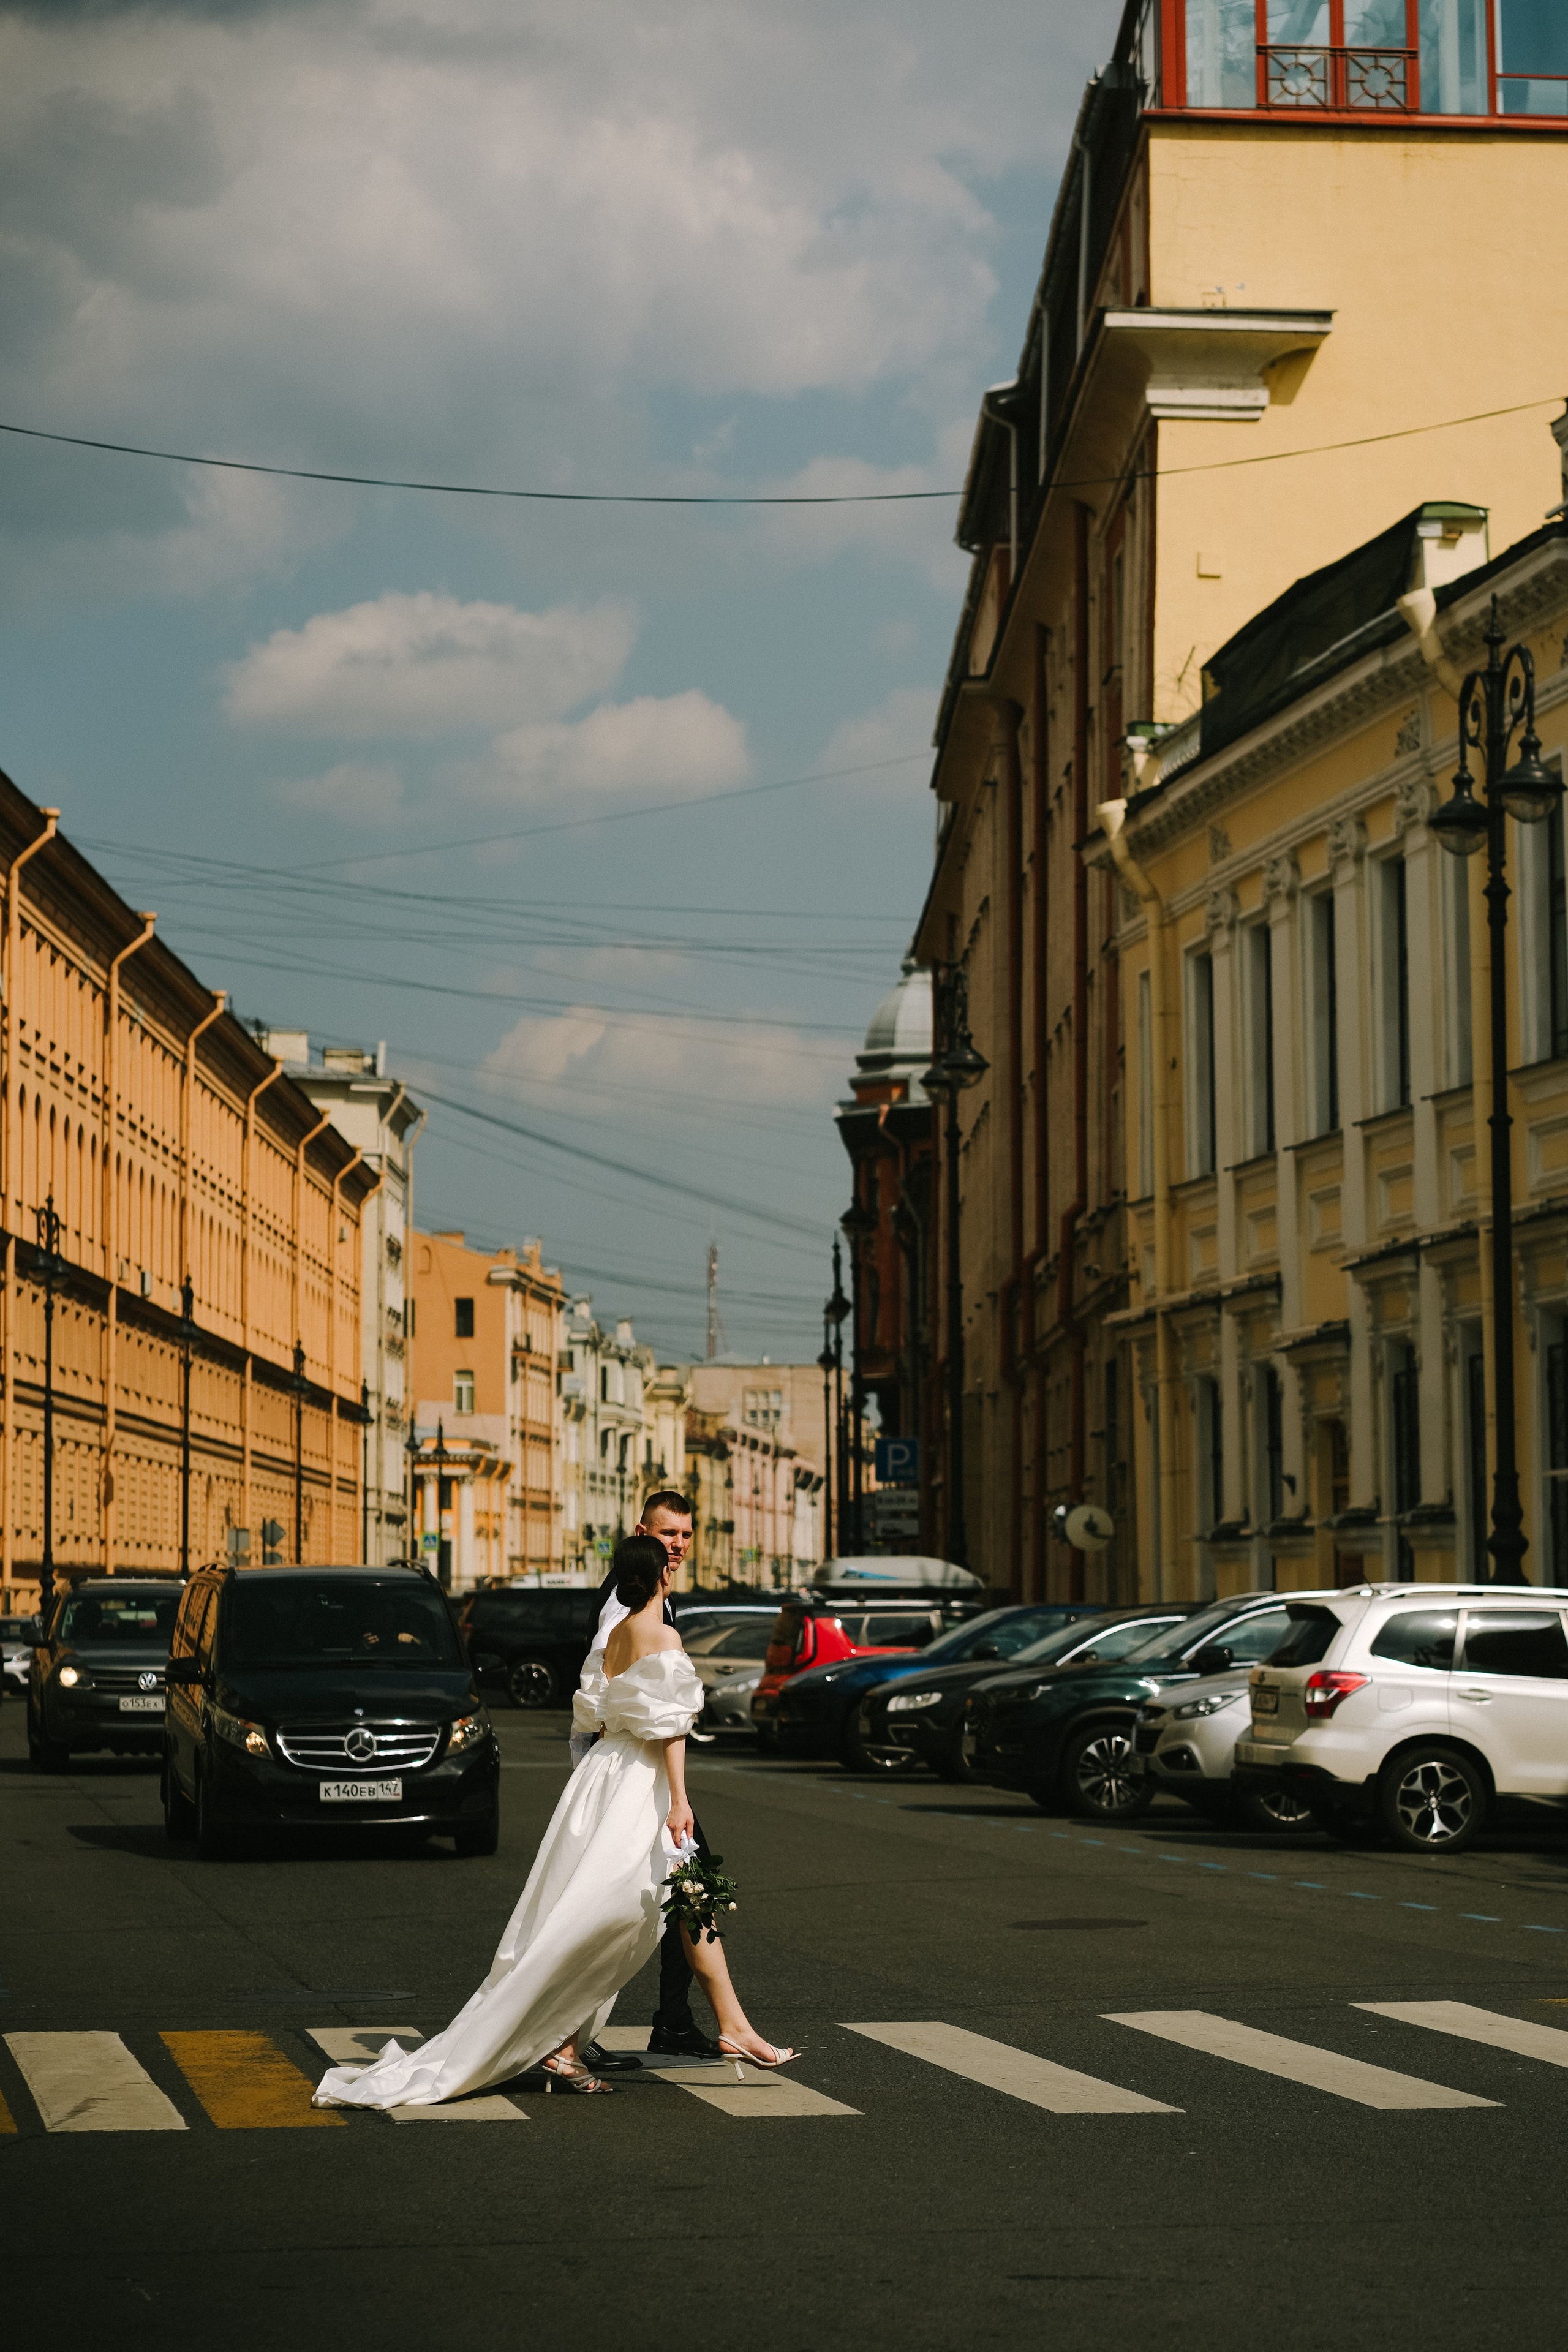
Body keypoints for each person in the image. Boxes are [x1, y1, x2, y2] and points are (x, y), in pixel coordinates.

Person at [311, 1534, 791, 2109]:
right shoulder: (662, 1634)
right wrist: (679, 1801)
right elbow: (669, 1728)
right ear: (661, 1577)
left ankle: (729, 2024)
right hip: (639, 1782)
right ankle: (562, 2042)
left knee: (681, 1900)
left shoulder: (614, 1636)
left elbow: (590, 1707)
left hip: (601, 1774)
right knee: (607, 1912)